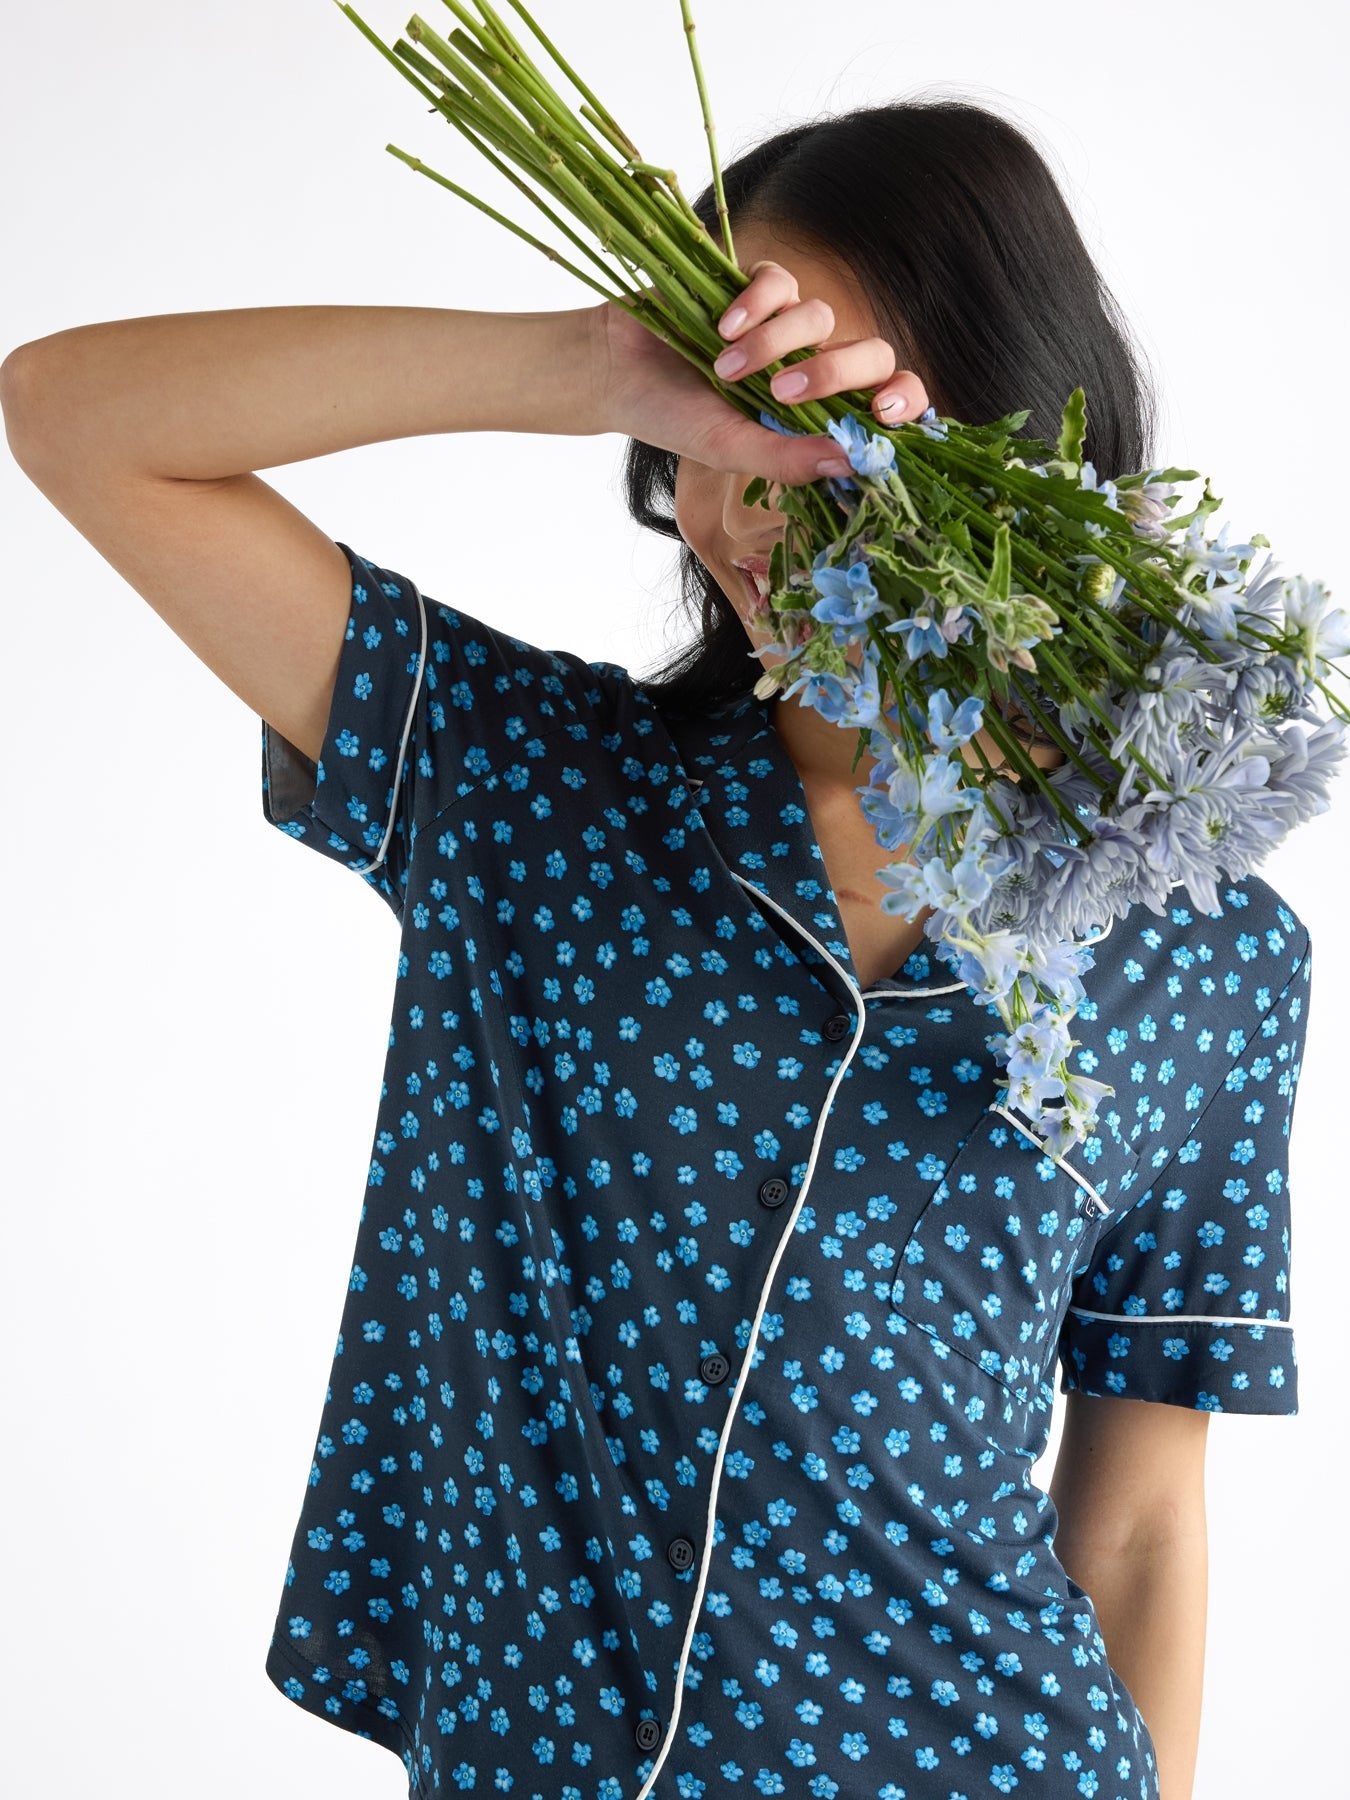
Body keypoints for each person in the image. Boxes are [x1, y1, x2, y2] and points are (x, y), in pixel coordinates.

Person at [1, 96, 1311, 1800]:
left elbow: (1137, 1519)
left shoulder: (1211, 954)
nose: (741, 506)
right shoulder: (517, 786)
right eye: (714, 430)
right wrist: (593, 365)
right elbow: (75, 416)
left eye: (808, 424)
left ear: (1005, 439)